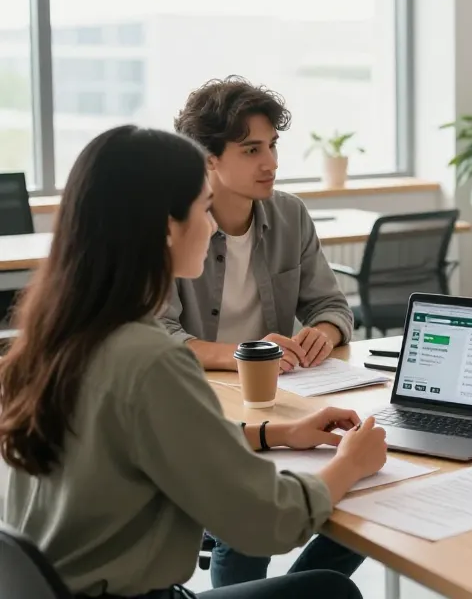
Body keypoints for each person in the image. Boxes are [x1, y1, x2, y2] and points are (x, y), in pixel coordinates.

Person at [0, 125, 388, 599]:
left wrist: (278, 432)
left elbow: (145, 437)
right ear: (167, 226)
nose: (212, 224)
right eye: (204, 209)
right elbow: (265, 521)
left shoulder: (55, 338)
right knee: (328, 591)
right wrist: (348, 465)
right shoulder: (150, 360)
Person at [159, 76, 364, 587]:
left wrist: (323, 329)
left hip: (280, 400)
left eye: (272, 146)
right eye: (251, 149)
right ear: (208, 159)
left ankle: (273, 592)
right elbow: (159, 334)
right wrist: (246, 353)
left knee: (370, 484)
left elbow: (333, 304)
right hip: (204, 399)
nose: (270, 162)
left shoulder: (290, 214)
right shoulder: (178, 225)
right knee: (249, 508)